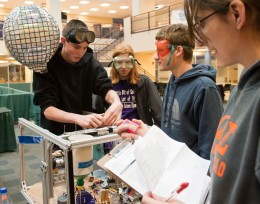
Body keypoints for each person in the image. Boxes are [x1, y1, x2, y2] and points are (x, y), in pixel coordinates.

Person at [133, 0, 260, 203]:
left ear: (237, 14)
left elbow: (207, 154)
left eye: (202, 22)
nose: (199, 42)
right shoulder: (242, 91)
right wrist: (147, 134)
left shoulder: (206, 88)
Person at [118, 24, 223, 159]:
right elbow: (169, 134)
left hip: (191, 174)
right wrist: (148, 132)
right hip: (171, 166)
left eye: (160, 50)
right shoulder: (173, 83)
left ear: (178, 50)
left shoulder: (204, 88)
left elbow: (211, 149)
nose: (156, 57)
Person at [33, 19, 123, 135]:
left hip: (82, 132)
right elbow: (48, 110)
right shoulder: (46, 64)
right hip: (55, 134)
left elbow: (105, 87)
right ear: (63, 41)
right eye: (76, 47)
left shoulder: (90, 62)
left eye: (85, 48)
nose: (81, 53)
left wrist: (116, 101)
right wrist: (78, 118)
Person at [94, 42, 162, 153]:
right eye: (119, 62)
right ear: (114, 63)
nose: (124, 67)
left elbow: (159, 114)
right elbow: (97, 112)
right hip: (115, 136)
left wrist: (154, 137)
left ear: (133, 63)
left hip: (139, 134)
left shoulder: (143, 82)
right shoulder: (107, 84)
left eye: (128, 62)